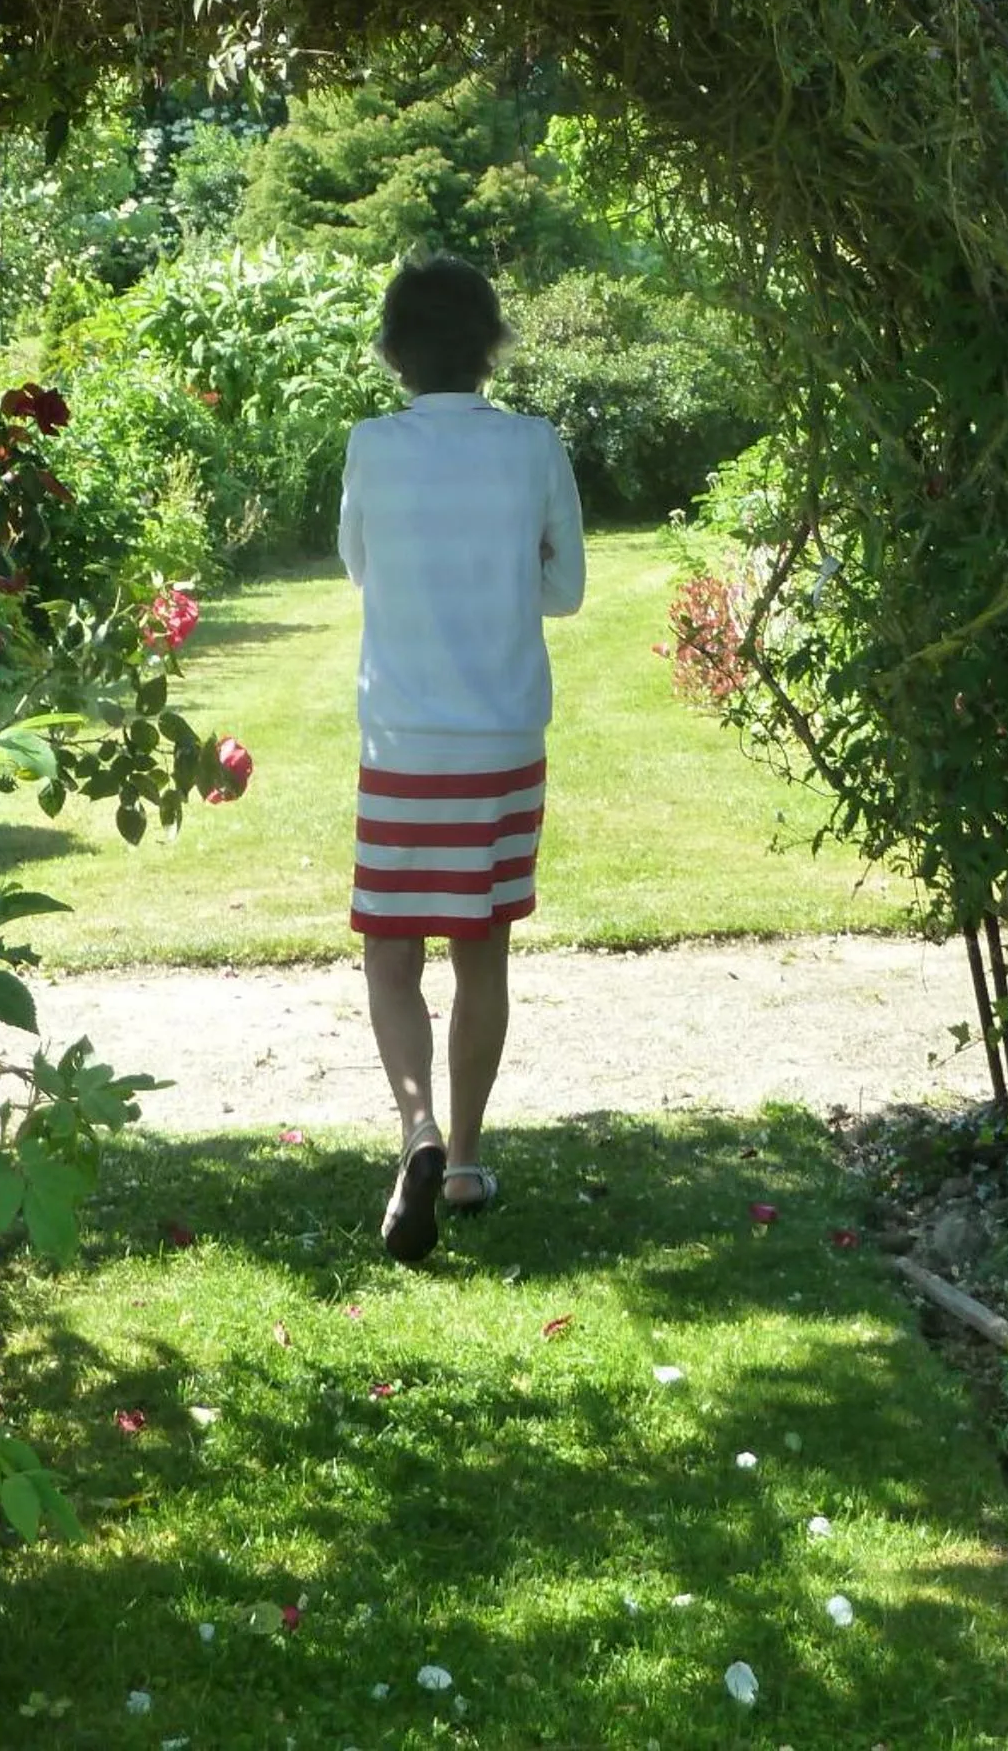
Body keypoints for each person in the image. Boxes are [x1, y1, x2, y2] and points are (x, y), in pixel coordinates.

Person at [338, 254, 585, 1264]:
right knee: (482, 950)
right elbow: (563, 590)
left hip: (402, 740)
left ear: (394, 349)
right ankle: (471, 1157)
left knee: (391, 955)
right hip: (501, 740)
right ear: (491, 344)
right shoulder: (533, 447)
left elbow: (358, 567)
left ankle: (417, 1129)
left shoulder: (370, 446)